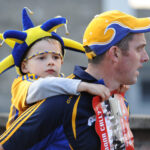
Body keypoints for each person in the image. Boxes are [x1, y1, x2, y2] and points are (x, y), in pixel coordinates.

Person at [1, 10, 150, 150]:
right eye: (139, 49)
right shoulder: (59, 102)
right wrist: (80, 86)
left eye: (55, 57)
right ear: (115, 53)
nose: (146, 57)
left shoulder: (119, 100)